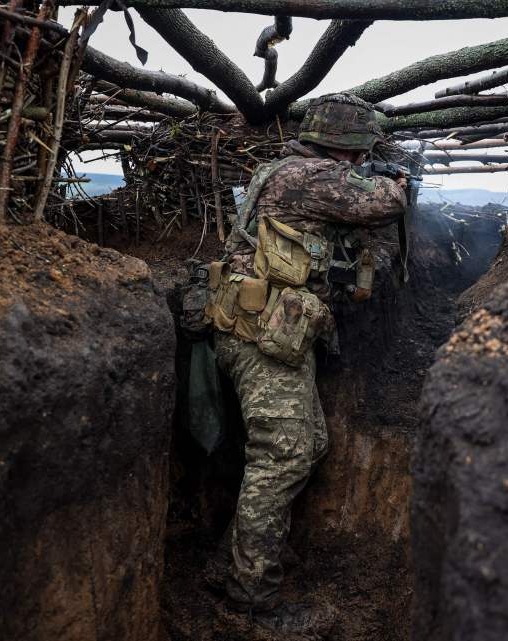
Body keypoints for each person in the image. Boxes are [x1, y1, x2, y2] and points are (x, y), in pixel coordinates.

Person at [203, 93, 408, 635]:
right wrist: (394, 181)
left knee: (308, 444)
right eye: (363, 151)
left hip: (267, 332)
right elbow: (384, 203)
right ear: (347, 145)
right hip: (262, 336)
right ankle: (252, 601)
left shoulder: (289, 171)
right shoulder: (308, 177)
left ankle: (230, 565)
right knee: (285, 455)